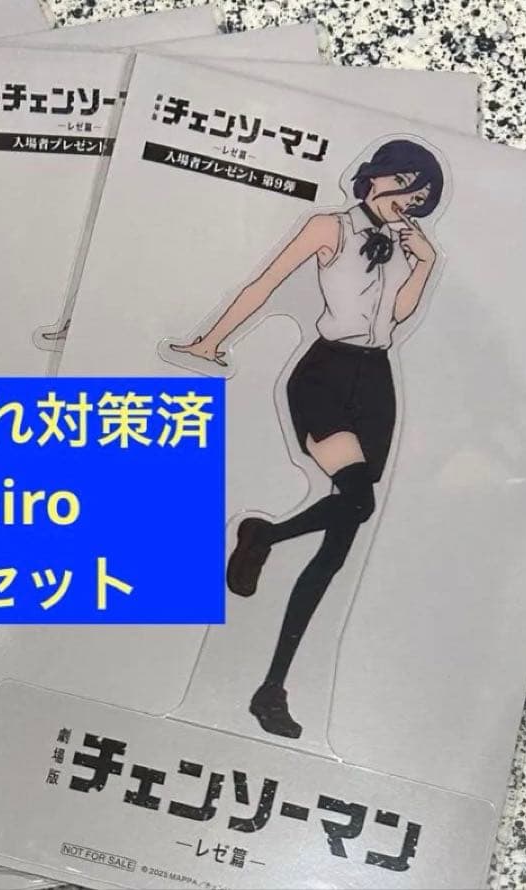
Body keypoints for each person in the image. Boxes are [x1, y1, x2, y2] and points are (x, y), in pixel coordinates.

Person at [170, 139, 444, 740]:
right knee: (358, 500)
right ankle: (263, 535)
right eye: (405, 184)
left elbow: (394, 316)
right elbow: (264, 284)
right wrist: (209, 342)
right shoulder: (330, 227)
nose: (410, 200)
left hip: (376, 382)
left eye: (421, 195)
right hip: (325, 376)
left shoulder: (402, 242)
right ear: (376, 178)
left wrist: (423, 264)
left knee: (338, 548)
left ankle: (271, 689)